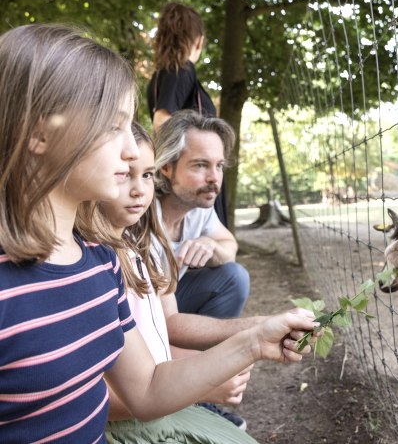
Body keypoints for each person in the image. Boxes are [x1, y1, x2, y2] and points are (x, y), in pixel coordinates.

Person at [0, 23, 318, 443]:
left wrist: (255, 341)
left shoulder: (99, 263)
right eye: (113, 126)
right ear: (40, 133)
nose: (132, 149)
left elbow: (147, 389)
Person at [88, 122, 254, 442]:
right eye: (123, 174)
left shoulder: (141, 248)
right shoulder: (101, 259)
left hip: (152, 394)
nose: (138, 189)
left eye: (145, 175)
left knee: (234, 275)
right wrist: (201, 382)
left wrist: (246, 342)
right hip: (130, 418)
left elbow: (165, 327)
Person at [154, 109, 249, 320]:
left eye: (219, 166)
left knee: (235, 276)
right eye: (200, 165)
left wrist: (211, 244)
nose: (214, 178)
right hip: (137, 311)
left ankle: (202, 350)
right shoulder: (140, 212)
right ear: (166, 167)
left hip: (171, 296)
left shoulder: (199, 208)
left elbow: (229, 247)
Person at [147, 2, 228, 228]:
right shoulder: (181, 70)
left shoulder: (159, 76)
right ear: (199, 40)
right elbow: (162, 123)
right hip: (193, 180)